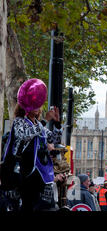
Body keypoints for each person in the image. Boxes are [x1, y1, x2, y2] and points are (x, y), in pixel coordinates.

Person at [0, 79, 62, 211]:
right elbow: (26, 135)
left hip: (38, 171)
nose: (38, 107)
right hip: (22, 170)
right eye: (34, 104)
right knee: (24, 205)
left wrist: (57, 124)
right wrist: (45, 120)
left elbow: (54, 139)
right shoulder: (19, 122)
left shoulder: (39, 125)